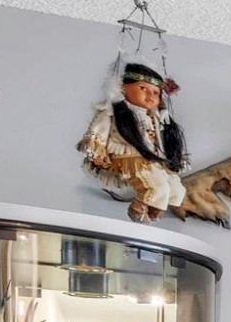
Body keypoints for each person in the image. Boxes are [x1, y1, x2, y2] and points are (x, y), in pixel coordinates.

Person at [78, 60, 189, 217]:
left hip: (152, 159)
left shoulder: (156, 117)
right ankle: (138, 209)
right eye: (143, 88)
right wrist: (97, 154)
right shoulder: (114, 112)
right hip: (129, 158)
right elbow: (98, 132)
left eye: (155, 92)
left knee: (177, 189)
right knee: (157, 187)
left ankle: (154, 210)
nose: (150, 96)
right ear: (122, 88)